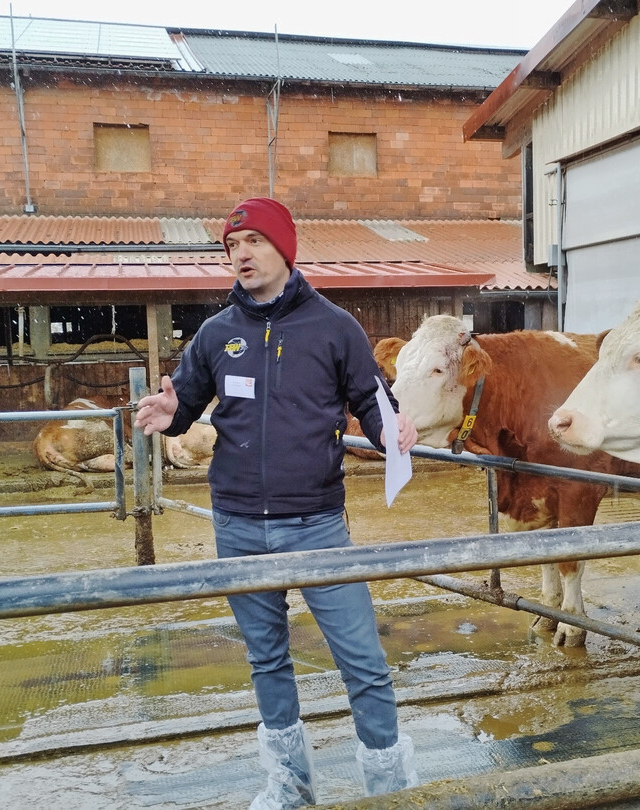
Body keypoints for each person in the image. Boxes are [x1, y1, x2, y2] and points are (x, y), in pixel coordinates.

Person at [134, 197, 420, 808]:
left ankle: (390, 791)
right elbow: (184, 405)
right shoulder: (217, 334)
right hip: (237, 525)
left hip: (316, 526)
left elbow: (371, 403)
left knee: (363, 663)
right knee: (268, 662)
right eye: (232, 246)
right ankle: (291, 788)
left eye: (254, 242)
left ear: (284, 249)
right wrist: (168, 412)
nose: (241, 254)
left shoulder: (335, 327)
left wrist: (391, 426)